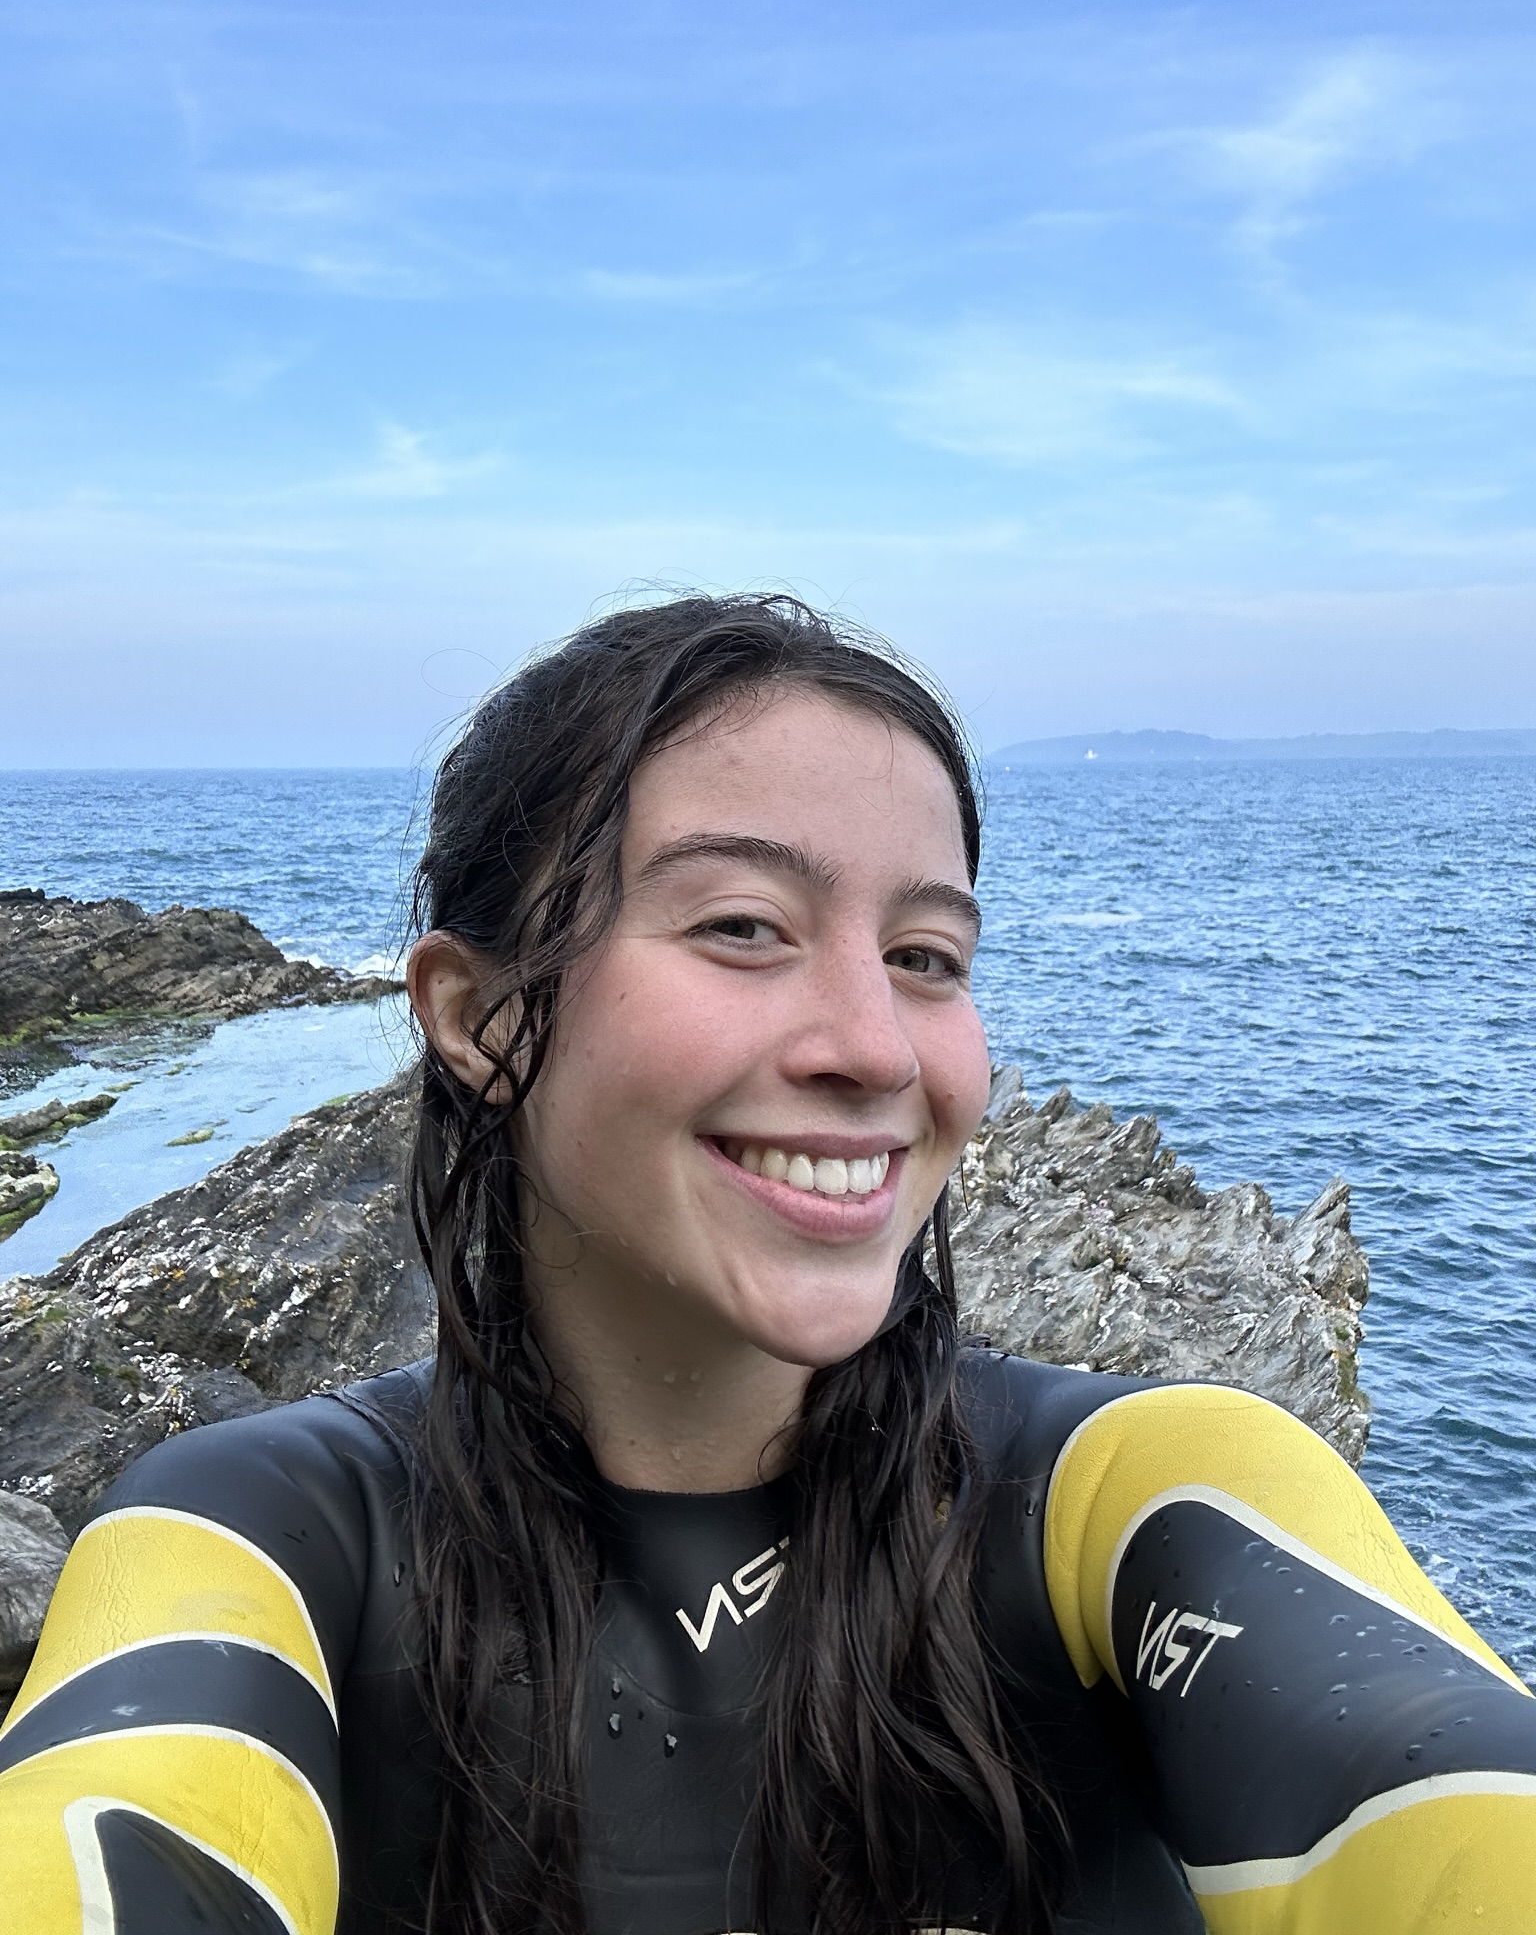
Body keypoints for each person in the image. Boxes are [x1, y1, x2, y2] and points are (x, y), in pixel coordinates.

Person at [1, 593, 1532, 1935]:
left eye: (928, 957)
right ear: (474, 1018)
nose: (875, 1047)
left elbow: (1426, 1772)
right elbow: (112, 1830)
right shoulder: (260, 1537)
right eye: (743, 925)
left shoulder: (1136, 1496)